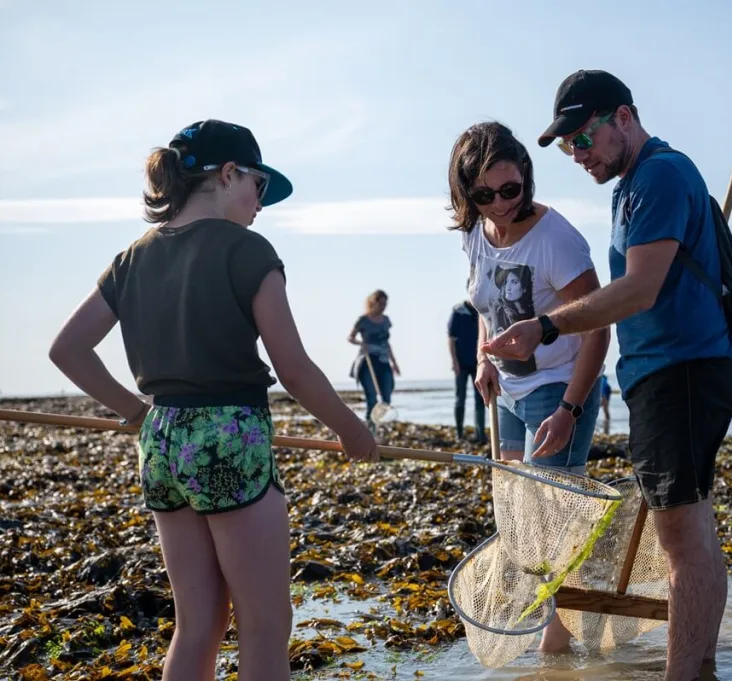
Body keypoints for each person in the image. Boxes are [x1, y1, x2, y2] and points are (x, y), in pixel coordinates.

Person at [47, 120, 378, 681]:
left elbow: (68, 349)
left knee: (197, 621)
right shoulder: (246, 250)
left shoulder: (132, 257)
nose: (261, 202)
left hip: (162, 442)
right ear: (228, 174)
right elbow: (293, 368)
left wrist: (135, 412)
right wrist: (351, 429)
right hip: (230, 437)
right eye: (260, 186)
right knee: (267, 622)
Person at [483, 70, 732, 681]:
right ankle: (700, 669)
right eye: (568, 146)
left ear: (623, 116)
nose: (577, 154)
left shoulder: (657, 175)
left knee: (680, 543)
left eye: (584, 138)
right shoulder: (639, 181)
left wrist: (546, 328)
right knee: (697, 534)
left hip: (678, 371)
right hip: (679, 371)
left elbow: (638, 290)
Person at [447, 120, 610, 652]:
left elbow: (598, 328)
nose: (498, 203)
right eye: (484, 194)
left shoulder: (556, 239)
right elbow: (484, 308)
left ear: (527, 178)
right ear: (466, 192)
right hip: (510, 395)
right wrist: (483, 360)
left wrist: (570, 408)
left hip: (558, 387)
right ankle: (566, 636)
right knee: (525, 520)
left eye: (510, 190)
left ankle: (557, 647)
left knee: (552, 521)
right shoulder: (476, 233)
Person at [348, 290, 401, 430]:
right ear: (373, 302)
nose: (383, 306)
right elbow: (350, 337)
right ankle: (370, 430)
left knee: (386, 399)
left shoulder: (386, 321)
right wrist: (361, 343)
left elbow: (387, 343)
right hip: (367, 362)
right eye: (381, 303)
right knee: (371, 399)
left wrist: (394, 363)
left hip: (384, 362)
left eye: (385, 303)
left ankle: (380, 425)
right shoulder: (363, 320)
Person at [448, 295, 487, 443]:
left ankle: (481, 434)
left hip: (478, 363)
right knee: (460, 398)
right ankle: (459, 433)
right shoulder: (458, 311)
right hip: (461, 363)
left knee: (481, 398)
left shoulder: (482, 309)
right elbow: (450, 339)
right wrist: (454, 362)